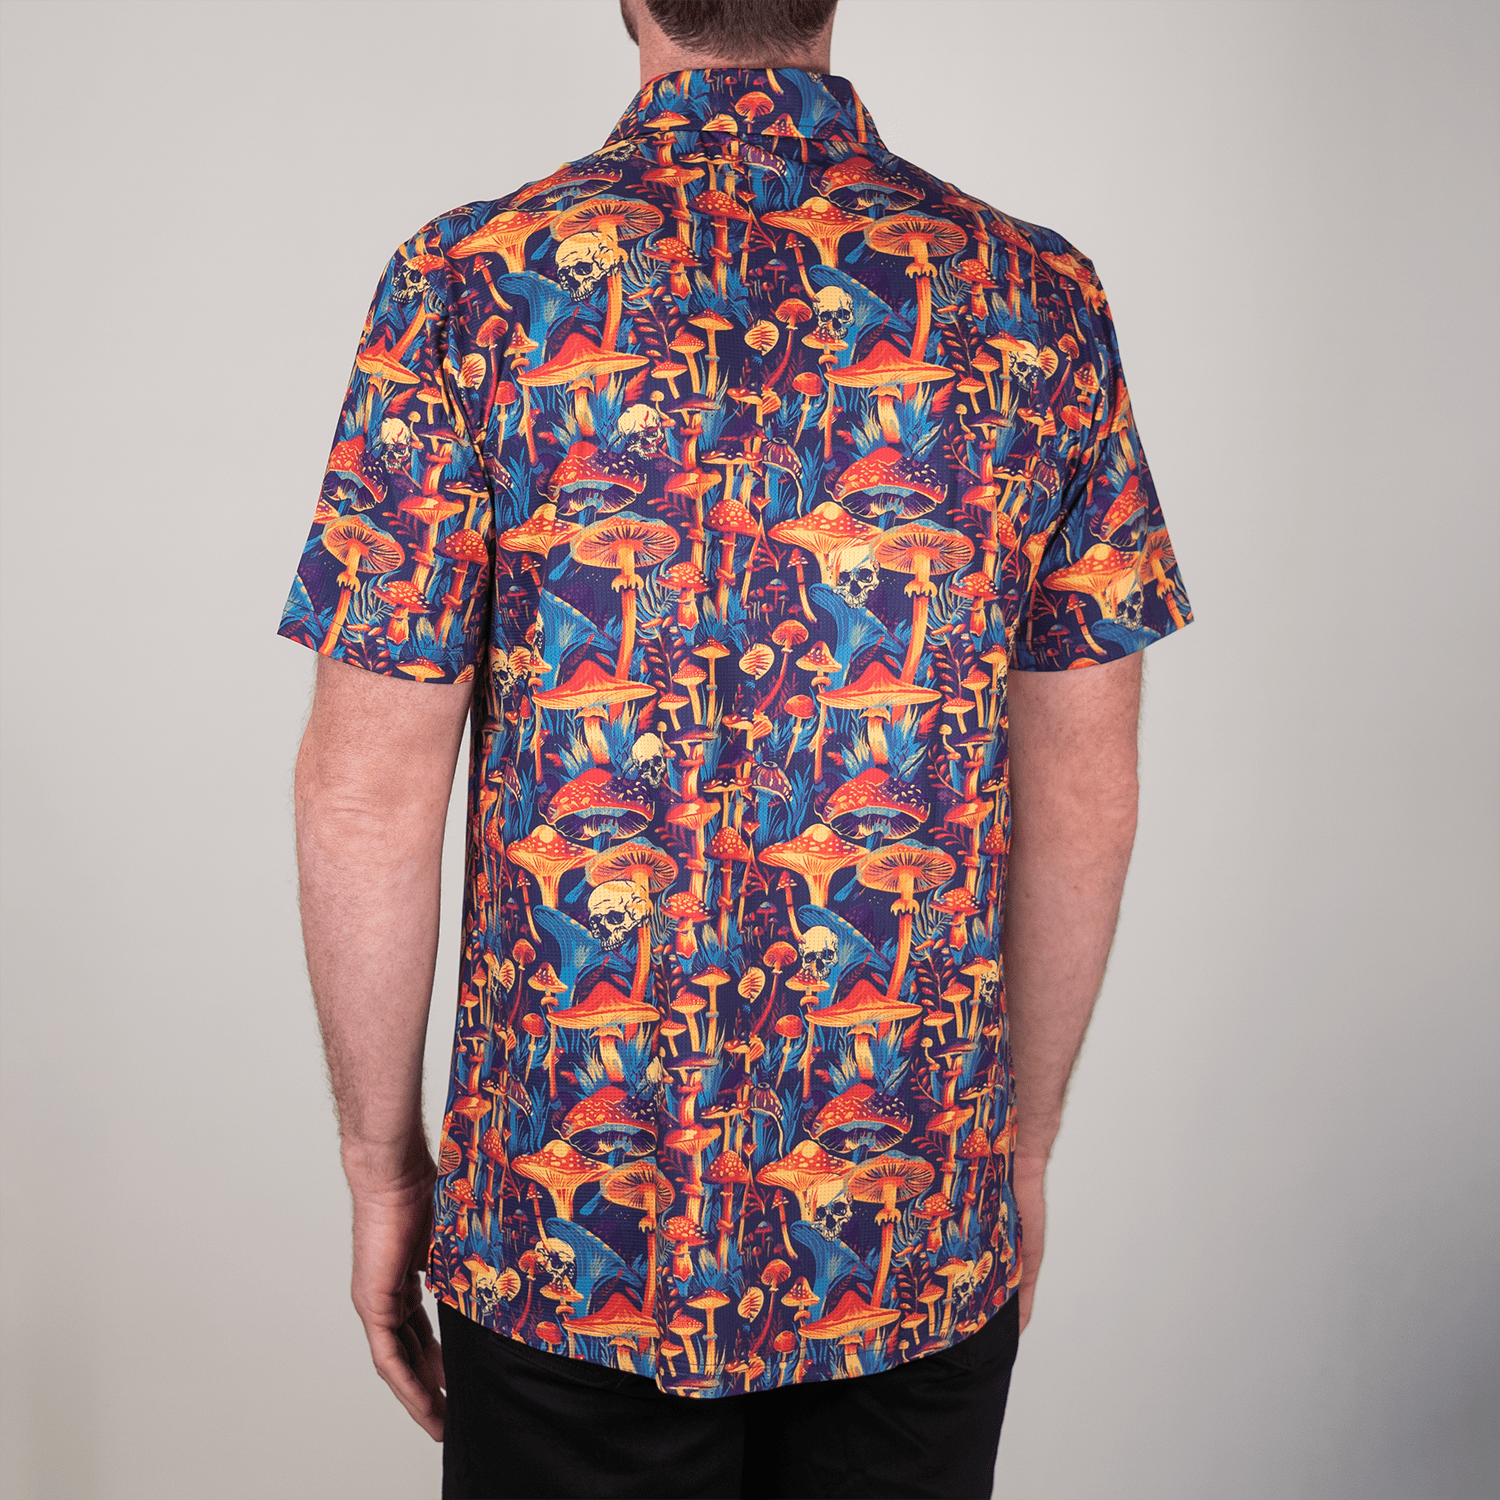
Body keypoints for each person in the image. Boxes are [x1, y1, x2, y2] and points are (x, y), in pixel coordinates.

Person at [280, 1, 1193, 1494]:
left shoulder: (469, 287)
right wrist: (1015, 1152)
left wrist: (385, 1172)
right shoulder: (1036, 301)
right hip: (908, 1225)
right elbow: (1086, 787)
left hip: (564, 1241)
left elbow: (367, 791)